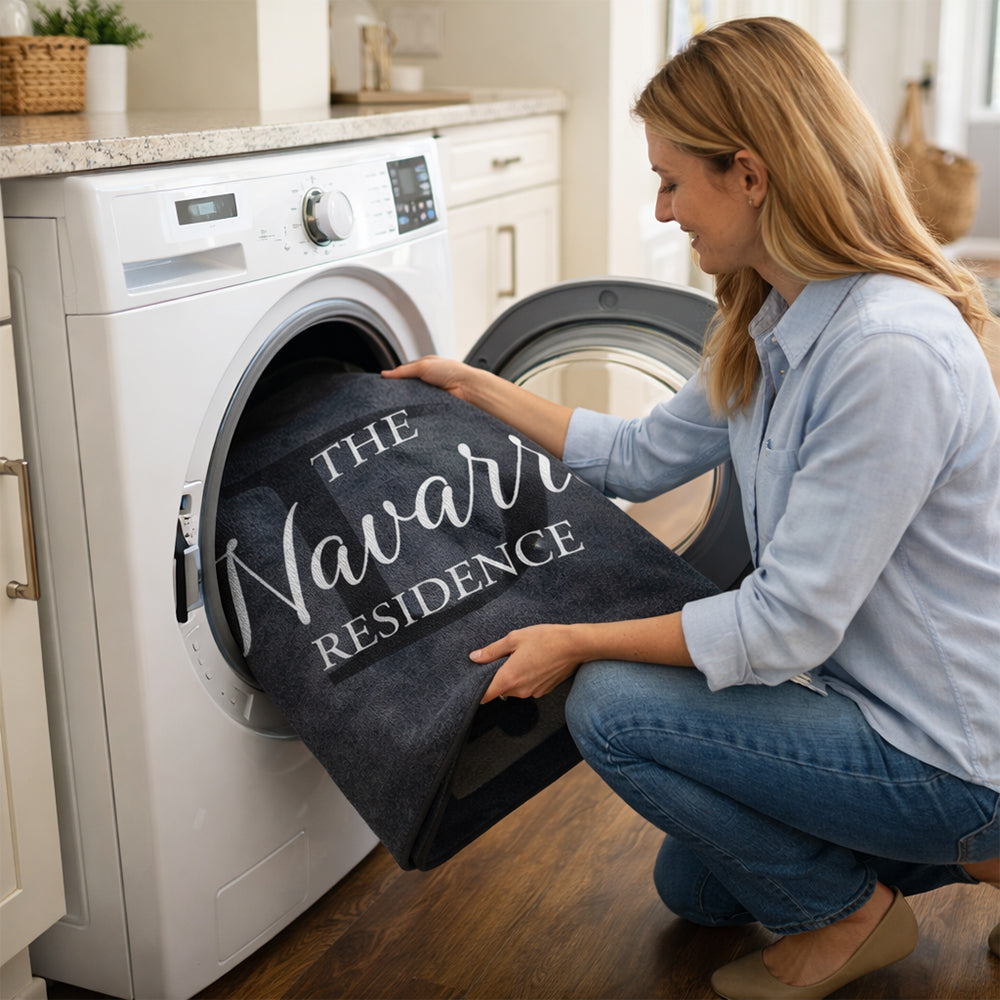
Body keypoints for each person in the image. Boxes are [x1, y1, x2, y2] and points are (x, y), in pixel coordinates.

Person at [384, 16, 1000, 999]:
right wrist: (475, 389)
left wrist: (577, 641)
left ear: (749, 175)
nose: (663, 209)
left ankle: (860, 915)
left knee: (610, 706)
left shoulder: (886, 350)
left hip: (949, 748)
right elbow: (638, 456)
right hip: (867, 709)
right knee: (696, 888)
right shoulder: (774, 315)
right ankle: (969, 858)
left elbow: (787, 624)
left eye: (672, 181)